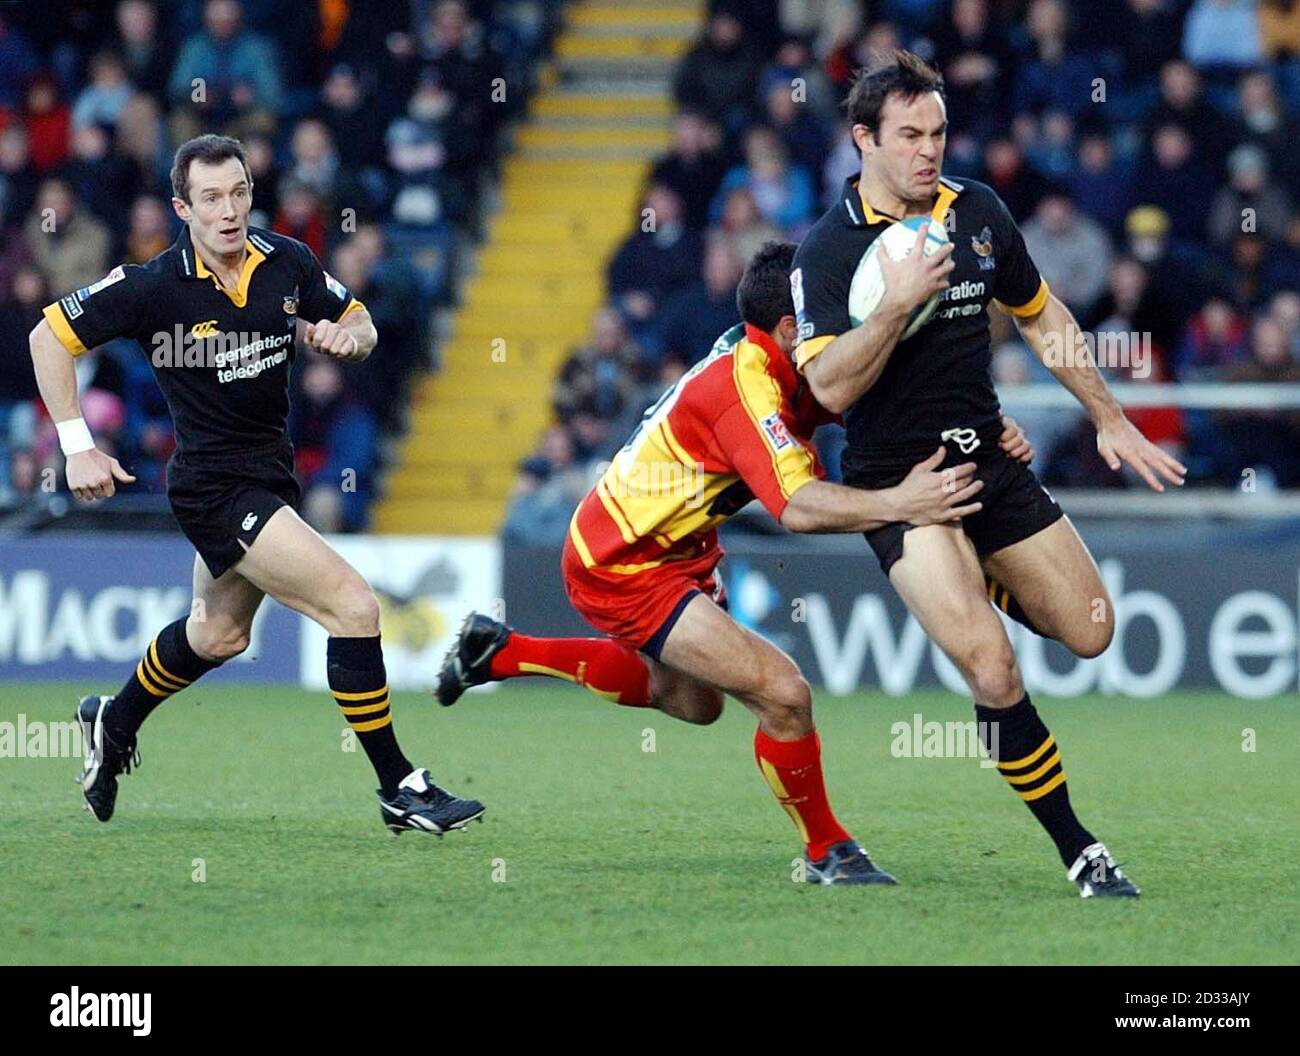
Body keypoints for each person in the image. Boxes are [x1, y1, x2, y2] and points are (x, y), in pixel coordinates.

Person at [438, 241, 1034, 885]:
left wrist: (983, 424)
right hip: (621, 559)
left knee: (692, 704)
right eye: (825, 317)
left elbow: (881, 397)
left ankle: (498, 652)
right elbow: (798, 508)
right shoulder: (743, 390)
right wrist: (898, 502)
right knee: (784, 695)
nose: (840, 331)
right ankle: (826, 851)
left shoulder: (781, 360)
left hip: (678, 547)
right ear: (789, 328)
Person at [793, 51, 1187, 898]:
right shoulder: (828, 250)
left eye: (937, 133)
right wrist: (897, 303)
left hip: (989, 463)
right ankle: (1081, 850)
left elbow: (1042, 319)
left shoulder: (978, 212)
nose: (928, 151)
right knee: (995, 670)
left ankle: (979, 580)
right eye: (907, 136)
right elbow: (826, 387)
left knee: (1091, 630)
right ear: (863, 139)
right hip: (904, 489)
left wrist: (1108, 415)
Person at [29, 134, 482, 836]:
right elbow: (47, 338)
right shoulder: (153, 285)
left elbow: (357, 320)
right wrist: (78, 446)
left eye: (238, 191)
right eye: (210, 198)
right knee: (355, 608)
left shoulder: (286, 261)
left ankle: (110, 723)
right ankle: (400, 786)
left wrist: (347, 339)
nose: (229, 209)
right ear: (183, 207)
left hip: (270, 473)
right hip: (214, 487)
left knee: (219, 635)